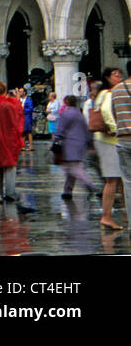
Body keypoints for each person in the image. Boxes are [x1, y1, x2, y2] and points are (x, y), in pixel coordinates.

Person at [94, 66, 125, 231]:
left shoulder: (104, 93)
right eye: (115, 74)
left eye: (120, 74)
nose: (118, 76)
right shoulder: (108, 93)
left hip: (105, 140)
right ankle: (106, 216)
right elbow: (106, 111)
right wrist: (116, 129)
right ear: (107, 77)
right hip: (109, 140)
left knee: (118, 180)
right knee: (112, 180)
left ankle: (119, 215)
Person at [52, 94, 95, 199]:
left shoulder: (66, 114)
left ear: (66, 102)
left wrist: (55, 140)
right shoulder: (79, 114)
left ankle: (89, 184)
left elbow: (60, 130)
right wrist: (90, 143)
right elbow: (86, 129)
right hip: (80, 144)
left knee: (73, 168)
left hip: (69, 144)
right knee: (71, 169)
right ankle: (67, 191)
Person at [0, 82, 27, 207]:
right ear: (5, 90)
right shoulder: (10, 104)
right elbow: (18, 119)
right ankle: (10, 193)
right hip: (9, 138)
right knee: (10, 167)